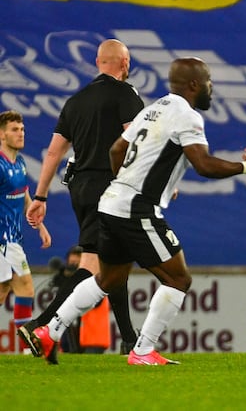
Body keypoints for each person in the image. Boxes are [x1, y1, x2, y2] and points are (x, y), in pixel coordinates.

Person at [23, 57, 246, 365]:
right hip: (136, 209)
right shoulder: (186, 116)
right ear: (193, 85)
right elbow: (204, 165)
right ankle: (143, 350)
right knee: (179, 280)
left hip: (110, 202)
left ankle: (49, 331)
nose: (211, 88)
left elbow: (116, 150)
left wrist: (123, 182)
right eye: (208, 82)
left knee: (107, 280)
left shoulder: (152, 108)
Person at [19, 39, 143, 354]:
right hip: (110, 187)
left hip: (80, 188)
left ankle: (130, 340)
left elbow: (53, 153)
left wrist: (41, 197)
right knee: (92, 266)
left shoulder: (75, 101)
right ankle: (40, 326)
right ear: (124, 63)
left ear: (98, 62)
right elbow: (137, 143)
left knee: (115, 259)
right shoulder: (126, 95)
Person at [0, 111, 52, 350]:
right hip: (3, 241)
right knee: (26, 287)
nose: (20, 133)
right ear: (2, 135)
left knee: (4, 293)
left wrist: (39, 225)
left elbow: (24, 198)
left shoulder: (19, 163)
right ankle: (30, 344)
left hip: (14, 239)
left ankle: (27, 342)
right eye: (14, 130)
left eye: (21, 129)